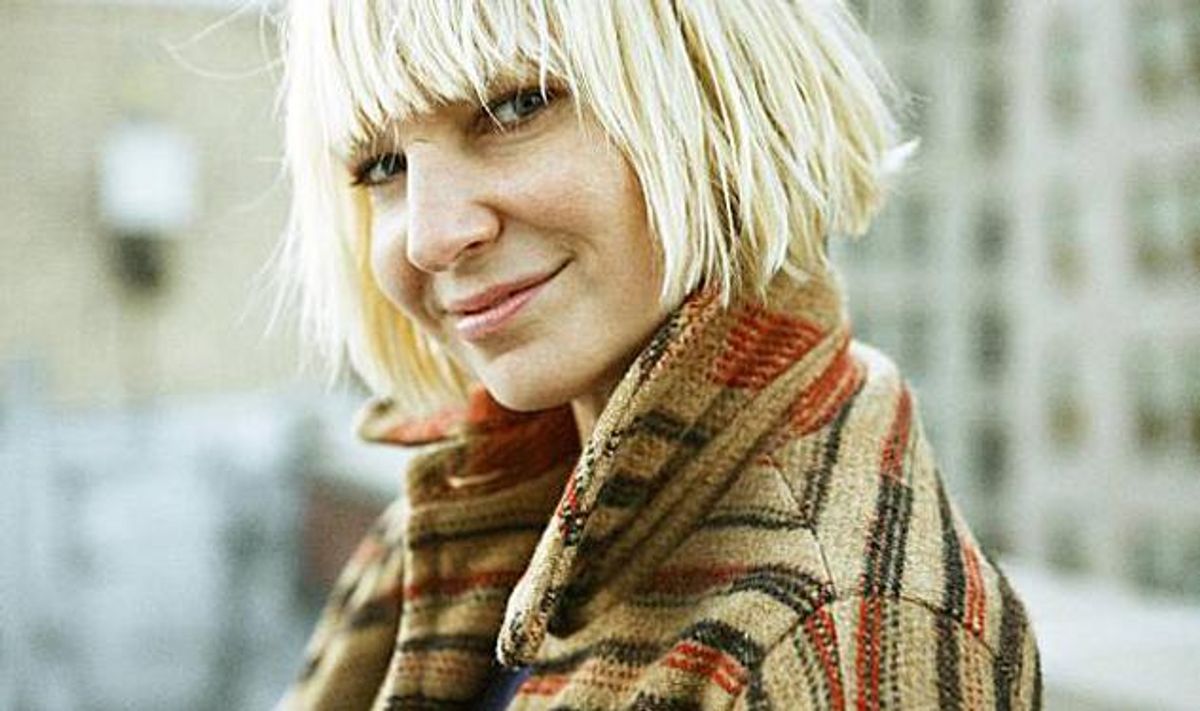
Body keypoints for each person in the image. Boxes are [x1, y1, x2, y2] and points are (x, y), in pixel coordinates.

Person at [273, 0, 1042, 708]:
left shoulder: (843, 637)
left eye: (515, 106)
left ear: (717, 88)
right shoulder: (464, 509)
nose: (432, 236)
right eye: (384, 166)